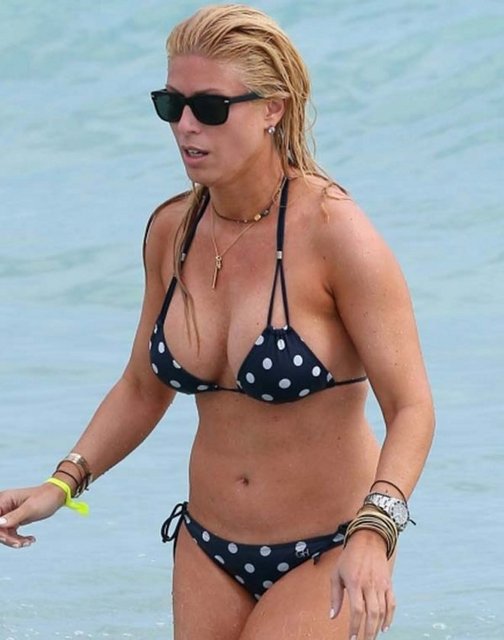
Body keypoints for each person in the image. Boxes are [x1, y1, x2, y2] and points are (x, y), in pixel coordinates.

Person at [0, 4, 434, 639]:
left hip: (330, 547)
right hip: (206, 548)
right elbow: (143, 387)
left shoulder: (335, 233)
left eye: (208, 107)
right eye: (171, 105)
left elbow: (412, 407)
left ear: (272, 109)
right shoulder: (172, 231)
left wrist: (376, 531)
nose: (185, 126)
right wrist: (60, 485)